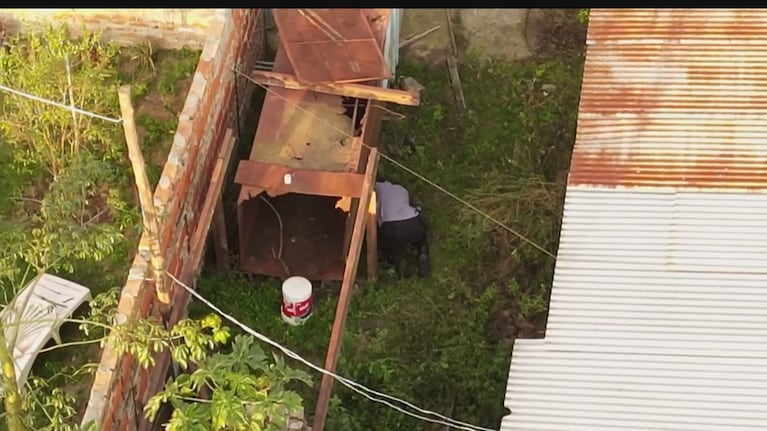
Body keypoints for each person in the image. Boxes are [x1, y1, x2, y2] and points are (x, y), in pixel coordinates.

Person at [374, 177, 430, 278]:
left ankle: (400, 260)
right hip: (412, 221)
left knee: (390, 244)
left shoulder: (376, 187)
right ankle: (422, 252)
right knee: (421, 236)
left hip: (392, 226)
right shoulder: (401, 189)